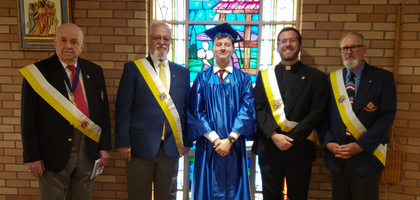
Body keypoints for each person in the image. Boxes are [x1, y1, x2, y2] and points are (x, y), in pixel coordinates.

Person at [20, 23, 111, 200]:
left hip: (88, 150)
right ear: (55, 43)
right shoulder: (38, 73)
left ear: (82, 47)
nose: (68, 45)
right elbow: (28, 120)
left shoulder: (95, 71)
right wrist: (33, 157)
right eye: (63, 40)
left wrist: (104, 147)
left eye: (74, 41)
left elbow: (103, 112)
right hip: (51, 154)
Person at [115, 22, 191, 200]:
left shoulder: (182, 73)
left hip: (171, 146)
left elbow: (186, 108)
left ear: (171, 42)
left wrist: (187, 140)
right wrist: (123, 142)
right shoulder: (133, 69)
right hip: (139, 146)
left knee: (167, 196)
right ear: (149, 40)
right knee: (138, 194)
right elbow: (122, 108)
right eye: (157, 37)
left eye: (166, 38)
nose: (162, 42)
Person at [251, 27, 328, 200]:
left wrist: (293, 138)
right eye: (283, 41)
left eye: (292, 40)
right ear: (277, 47)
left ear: (300, 46)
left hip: (300, 148)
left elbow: (317, 112)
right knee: (271, 196)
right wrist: (274, 135)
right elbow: (259, 108)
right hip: (269, 147)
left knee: (298, 196)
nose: (287, 44)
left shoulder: (316, 77)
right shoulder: (264, 76)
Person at [322, 32, 396, 200]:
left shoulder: (382, 78)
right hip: (338, 156)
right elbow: (322, 117)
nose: (349, 52)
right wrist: (328, 143)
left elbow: (387, 116)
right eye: (345, 48)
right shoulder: (330, 80)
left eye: (354, 47)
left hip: (367, 156)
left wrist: (361, 145)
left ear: (364, 49)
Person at [187, 22, 256, 200]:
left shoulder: (244, 79)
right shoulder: (202, 78)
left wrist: (230, 140)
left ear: (233, 48)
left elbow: (247, 110)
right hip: (210, 144)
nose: (223, 48)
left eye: (227, 44)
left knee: (234, 188)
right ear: (213, 48)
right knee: (208, 189)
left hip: (234, 144)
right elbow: (196, 111)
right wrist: (217, 140)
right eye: (219, 44)